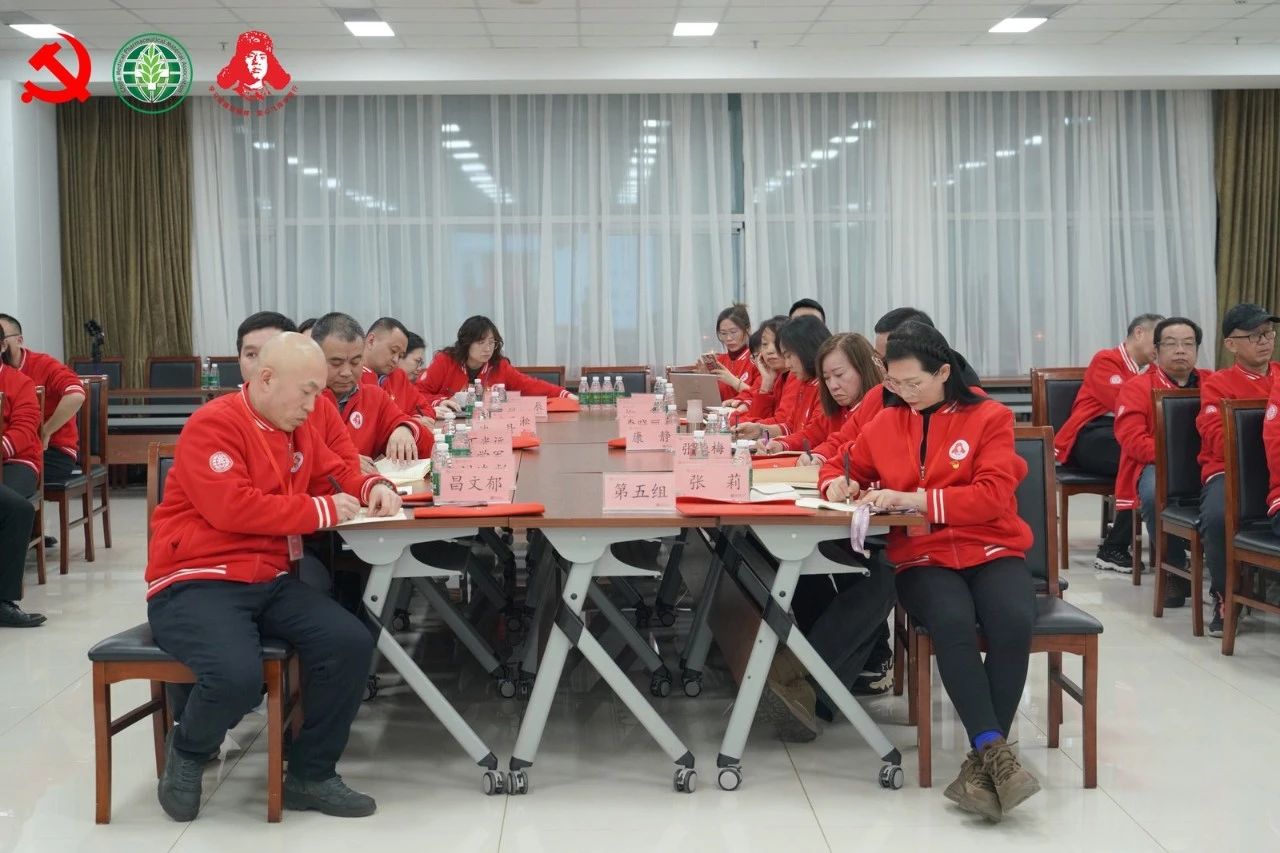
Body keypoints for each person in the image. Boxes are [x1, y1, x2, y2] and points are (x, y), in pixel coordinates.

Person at [146, 333, 402, 822]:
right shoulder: (213, 424)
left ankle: (312, 774)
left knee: (349, 642)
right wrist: (321, 510)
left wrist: (373, 484)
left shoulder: (295, 426)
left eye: (318, 393)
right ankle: (189, 748)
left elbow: (336, 470)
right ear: (266, 379)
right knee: (237, 677)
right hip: (197, 579)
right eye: (307, 392)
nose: (314, 405)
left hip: (267, 578)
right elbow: (232, 507)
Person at [820, 322, 1039, 822]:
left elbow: (992, 497)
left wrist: (915, 499)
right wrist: (837, 484)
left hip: (993, 548)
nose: (902, 393)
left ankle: (983, 762)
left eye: (912, 383)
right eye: (894, 383)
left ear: (943, 372)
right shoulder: (885, 422)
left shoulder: (990, 417)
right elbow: (838, 464)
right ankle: (995, 755)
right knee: (952, 622)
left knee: (1012, 621)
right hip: (923, 556)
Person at [1113, 317, 1210, 610]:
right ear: (1155, 351)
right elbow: (1132, 439)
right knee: (1155, 492)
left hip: (1208, 464)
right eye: (1171, 343)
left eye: (1188, 344)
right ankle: (1173, 569)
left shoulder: (1213, 383)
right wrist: (1174, 459)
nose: (1180, 350)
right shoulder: (1137, 387)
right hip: (1157, 464)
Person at [1053, 313, 1162, 573]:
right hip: (1092, 434)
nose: (1162, 347)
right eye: (1159, 339)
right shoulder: (1106, 360)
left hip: (1132, 436)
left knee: (1145, 461)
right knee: (1139, 460)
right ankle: (1114, 548)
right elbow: (1126, 402)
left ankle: (1151, 547)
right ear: (1139, 333)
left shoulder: (1155, 370)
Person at [1197, 304, 1280, 637]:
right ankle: (1224, 594)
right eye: (1255, 335)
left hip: (1276, 474)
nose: (1265, 341)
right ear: (1231, 344)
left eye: (1269, 333)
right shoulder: (1218, 384)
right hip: (1230, 471)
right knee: (1218, 516)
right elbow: (1217, 437)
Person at [312, 312, 429, 471]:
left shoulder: (374, 398)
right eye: (336, 363)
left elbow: (429, 447)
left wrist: (407, 428)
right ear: (315, 357)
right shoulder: (301, 401)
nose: (346, 372)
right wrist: (344, 460)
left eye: (355, 362)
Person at [417, 315, 576, 410]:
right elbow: (417, 393)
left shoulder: (499, 365)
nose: (487, 349)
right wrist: (442, 401)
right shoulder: (445, 361)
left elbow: (530, 385)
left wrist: (565, 394)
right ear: (466, 343)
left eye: (491, 342)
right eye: (481, 343)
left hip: (488, 426)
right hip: (452, 427)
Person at [0, 314, 85, 488]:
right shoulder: (5, 373)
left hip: (52, 449)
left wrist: (46, 431)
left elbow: (76, 395)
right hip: (12, 447)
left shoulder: (43, 364)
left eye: (4, 338)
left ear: (19, 340)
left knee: (17, 471)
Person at [760, 333, 882, 454]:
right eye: (826, 378)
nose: (833, 386)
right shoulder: (836, 409)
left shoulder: (878, 408)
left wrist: (820, 456)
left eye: (839, 374)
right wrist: (780, 445)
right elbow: (810, 435)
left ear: (863, 369)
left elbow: (841, 445)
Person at [0, 352, 44, 628]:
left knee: (16, 508)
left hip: (16, 460)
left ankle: (3, 601)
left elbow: (25, 428)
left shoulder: (19, 382)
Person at [733, 316, 830, 441]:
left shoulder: (810, 381)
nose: (769, 351)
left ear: (806, 350)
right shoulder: (798, 379)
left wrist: (781, 443)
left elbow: (812, 435)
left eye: (789, 356)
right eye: (764, 344)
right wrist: (760, 430)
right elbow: (790, 426)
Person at [359, 316, 423, 417]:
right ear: (371, 341)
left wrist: (414, 422)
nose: (395, 360)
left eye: (400, 356)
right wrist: (407, 422)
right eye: (393, 351)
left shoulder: (398, 376)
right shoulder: (349, 376)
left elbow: (425, 409)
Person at [692, 303, 758, 402]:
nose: (728, 338)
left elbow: (762, 397)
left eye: (733, 332)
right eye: (723, 333)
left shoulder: (757, 360)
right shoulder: (718, 361)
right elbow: (711, 400)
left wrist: (733, 381)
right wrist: (706, 380)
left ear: (747, 329)